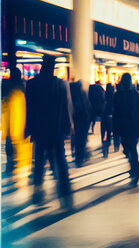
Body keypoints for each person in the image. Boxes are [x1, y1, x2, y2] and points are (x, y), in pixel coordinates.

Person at [25, 55, 73, 208]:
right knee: (60, 160)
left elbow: (29, 109)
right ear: (53, 67)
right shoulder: (60, 84)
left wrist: (28, 128)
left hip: (40, 129)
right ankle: (64, 193)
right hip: (56, 129)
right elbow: (65, 108)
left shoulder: (32, 84)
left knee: (39, 159)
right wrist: (67, 127)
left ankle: (38, 192)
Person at [113, 73, 139, 187]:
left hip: (124, 127)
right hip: (132, 126)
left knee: (130, 148)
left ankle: (134, 171)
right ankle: (135, 171)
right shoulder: (135, 94)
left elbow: (115, 113)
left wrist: (115, 129)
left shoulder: (118, 95)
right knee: (131, 149)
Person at [1, 68, 26, 178]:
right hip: (17, 130)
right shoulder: (21, 91)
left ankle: (11, 170)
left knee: (11, 152)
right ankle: (14, 171)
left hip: (11, 129)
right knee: (14, 152)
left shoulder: (9, 92)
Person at [69, 80, 92, 167]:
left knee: (75, 139)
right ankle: (80, 158)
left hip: (76, 122)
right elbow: (88, 108)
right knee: (81, 141)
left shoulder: (72, 97)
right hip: (84, 122)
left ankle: (76, 156)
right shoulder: (83, 95)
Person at [101, 83, 115, 158]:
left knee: (103, 132)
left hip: (104, 116)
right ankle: (107, 148)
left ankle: (104, 149)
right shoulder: (114, 96)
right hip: (111, 116)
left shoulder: (104, 95)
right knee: (109, 133)